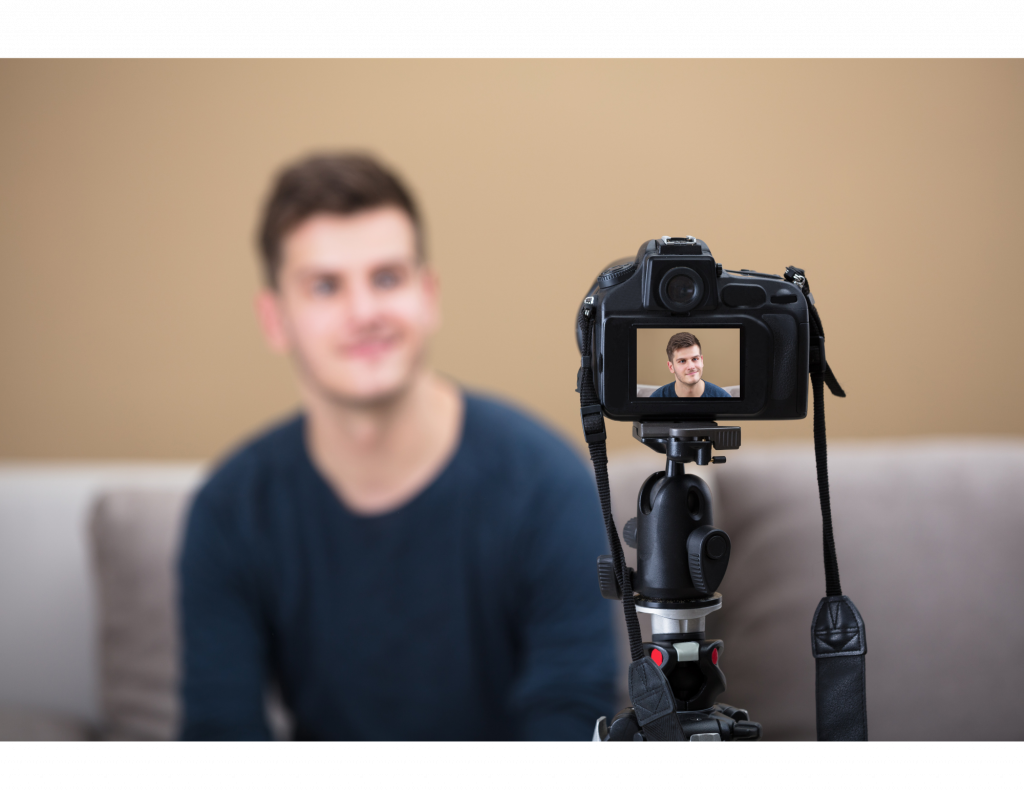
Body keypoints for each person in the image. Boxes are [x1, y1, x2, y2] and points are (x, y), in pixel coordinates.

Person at [178, 153, 617, 741]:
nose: (365, 313)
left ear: (428, 294)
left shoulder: (547, 485)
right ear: (275, 318)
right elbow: (220, 728)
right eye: (325, 287)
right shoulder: (230, 512)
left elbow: (573, 714)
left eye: (387, 278)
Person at [649, 332, 731, 398]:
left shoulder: (723, 398)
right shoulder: (656, 400)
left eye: (695, 359)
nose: (691, 367)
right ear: (671, 367)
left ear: (702, 361)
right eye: (682, 361)